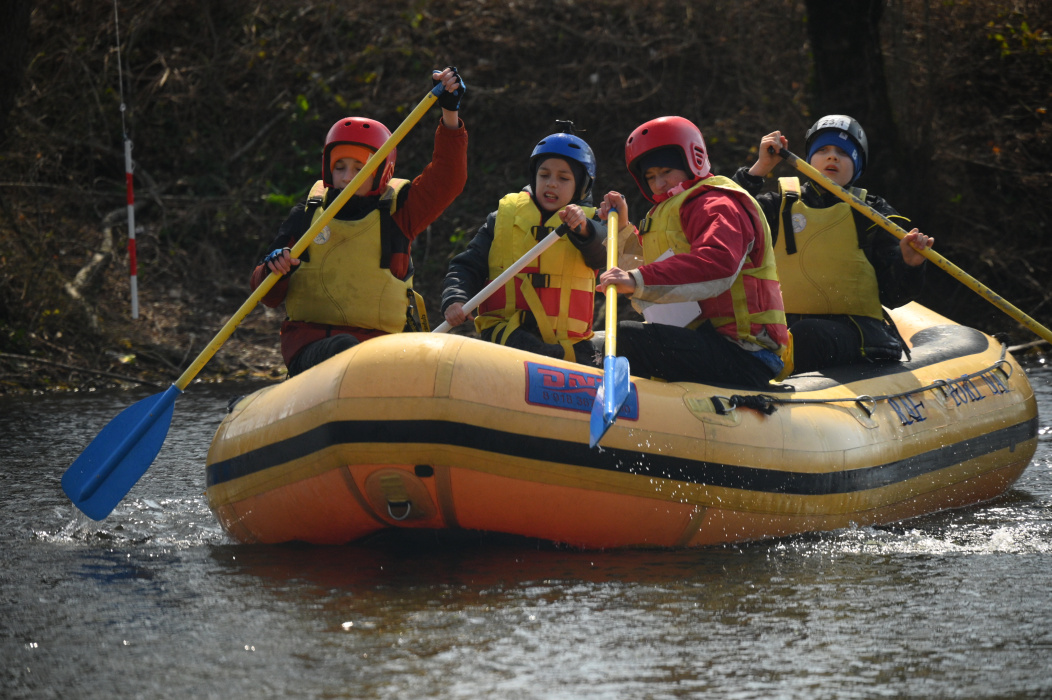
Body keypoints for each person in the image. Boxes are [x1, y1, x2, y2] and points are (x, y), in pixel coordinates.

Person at [251, 67, 468, 377]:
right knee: (345, 347)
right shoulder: (306, 216)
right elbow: (268, 296)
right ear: (328, 168)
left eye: (359, 168)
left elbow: (448, 179)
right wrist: (273, 269)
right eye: (340, 167)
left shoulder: (400, 214)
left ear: (382, 172)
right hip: (311, 351)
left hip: (382, 354)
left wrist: (450, 115)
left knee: (361, 354)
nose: (347, 177)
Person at [731, 114, 934, 374]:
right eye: (823, 150)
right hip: (786, 332)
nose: (832, 157)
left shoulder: (872, 213)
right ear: (809, 160)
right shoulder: (778, 205)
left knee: (806, 334)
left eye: (843, 152)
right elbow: (724, 217)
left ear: (857, 165)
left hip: (858, 335)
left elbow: (895, 296)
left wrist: (910, 264)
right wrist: (759, 168)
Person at [597, 116, 788, 388]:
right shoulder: (668, 212)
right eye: (650, 177)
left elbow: (717, 263)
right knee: (608, 338)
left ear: (692, 162)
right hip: (703, 342)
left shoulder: (716, 203)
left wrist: (636, 280)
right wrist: (623, 229)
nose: (659, 183)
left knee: (625, 337)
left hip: (745, 352)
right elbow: (648, 268)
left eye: (666, 171)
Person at [441, 124, 606, 365]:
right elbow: (467, 265)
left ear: (581, 186)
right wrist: (456, 298)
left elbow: (602, 253)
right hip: (506, 330)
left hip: (567, 342)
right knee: (531, 348)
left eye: (563, 178)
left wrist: (584, 229)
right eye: (544, 175)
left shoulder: (592, 223)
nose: (551, 183)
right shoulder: (502, 218)